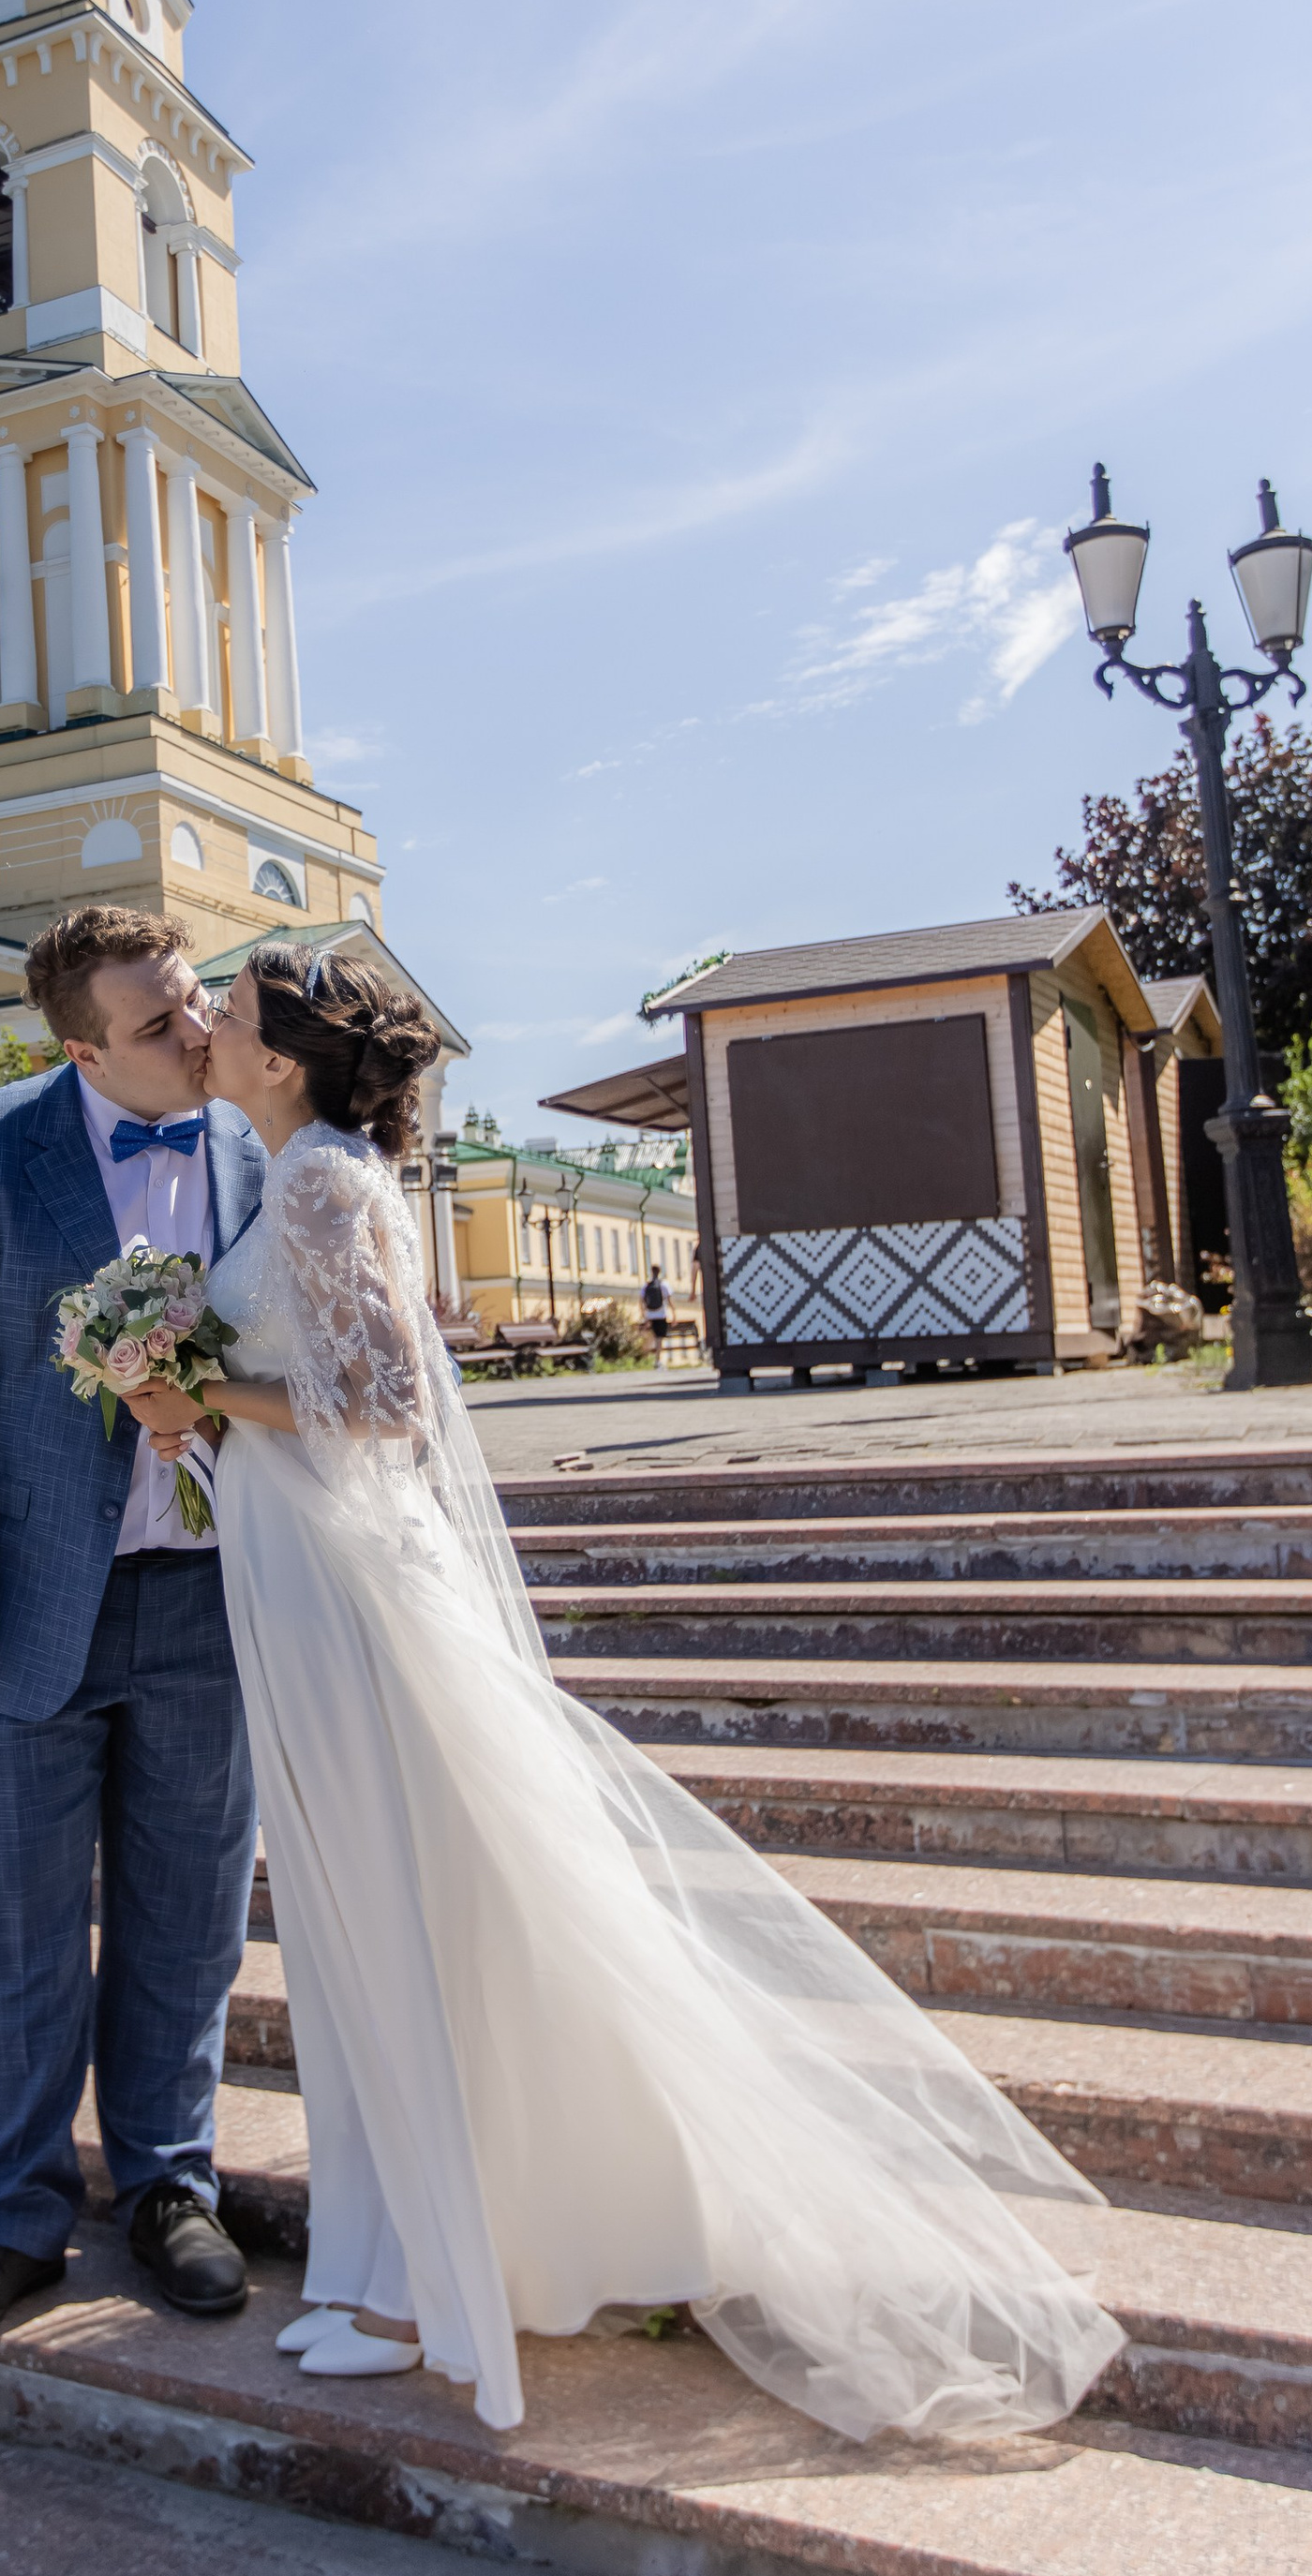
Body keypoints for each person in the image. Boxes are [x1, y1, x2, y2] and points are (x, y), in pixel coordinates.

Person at [118, 944, 1125, 2443]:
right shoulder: (295, 1174)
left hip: (347, 1595)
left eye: (235, 1017)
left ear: (287, 1058)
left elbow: (387, 1402)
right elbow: (320, 1396)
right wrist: (190, 1401)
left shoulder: (325, 1181)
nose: (207, 1032)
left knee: (396, 1912)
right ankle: (384, 2253)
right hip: (300, 1577)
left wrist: (200, 1395)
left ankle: (419, 2290)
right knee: (358, 1920)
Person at [0, 904, 266, 2345]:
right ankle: (13, 2219)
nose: (196, 1030)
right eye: (160, 1022)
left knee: (190, 1922)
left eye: (196, 997)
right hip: (24, 1617)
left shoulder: (255, 1146)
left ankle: (171, 2188)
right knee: (23, 1936)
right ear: (82, 1048)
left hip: (213, 1601)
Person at [640, 1258, 671, 1356]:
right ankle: (658, 1360)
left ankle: (647, 1358)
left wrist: (644, 1315)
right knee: (659, 1338)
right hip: (661, 1314)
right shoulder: (664, 1285)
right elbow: (670, 1301)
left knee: (650, 1337)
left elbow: (641, 1301)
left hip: (650, 1315)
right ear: (659, 1272)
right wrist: (674, 1315)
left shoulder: (646, 1286)